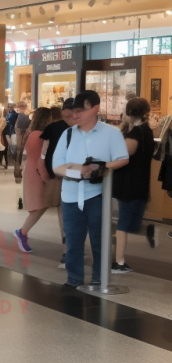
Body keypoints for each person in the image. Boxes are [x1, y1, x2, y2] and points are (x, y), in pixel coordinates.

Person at [53, 91, 129, 288]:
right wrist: (81, 173)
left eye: (80, 111)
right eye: (73, 112)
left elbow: (122, 159)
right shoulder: (67, 134)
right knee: (73, 241)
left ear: (95, 108)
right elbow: (57, 166)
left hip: (98, 195)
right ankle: (74, 279)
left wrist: (101, 167)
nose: (75, 116)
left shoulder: (111, 133)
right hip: (70, 196)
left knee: (100, 240)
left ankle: (99, 277)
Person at [112, 97, 156, 273]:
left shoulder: (134, 134)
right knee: (127, 220)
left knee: (125, 221)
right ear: (146, 113)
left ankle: (119, 261)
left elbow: (123, 156)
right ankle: (119, 260)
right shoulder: (146, 131)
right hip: (138, 182)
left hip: (128, 182)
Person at [40, 98, 75, 268]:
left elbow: (44, 154)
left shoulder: (52, 128)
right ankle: (68, 248)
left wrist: (47, 174)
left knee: (64, 213)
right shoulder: (82, 128)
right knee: (68, 212)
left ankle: (67, 249)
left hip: (59, 175)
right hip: (73, 176)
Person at [13, 107, 54, 252]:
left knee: (39, 205)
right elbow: (40, 158)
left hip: (32, 170)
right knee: (40, 205)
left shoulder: (32, 133)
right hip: (37, 172)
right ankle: (22, 232)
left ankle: (23, 232)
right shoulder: (41, 135)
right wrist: (45, 177)